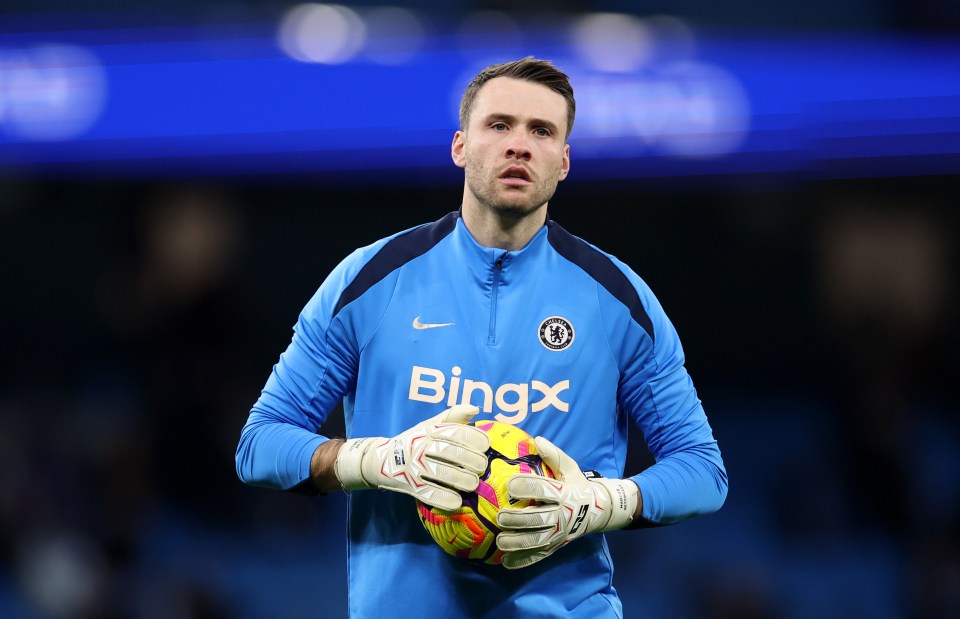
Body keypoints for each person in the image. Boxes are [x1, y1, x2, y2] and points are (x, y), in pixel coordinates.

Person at [236, 57, 727, 617]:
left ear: (563, 162)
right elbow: (260, 445)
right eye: (499, 125)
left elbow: (702, 471)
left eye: (541, 131)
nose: (519, 145)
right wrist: (383, 461)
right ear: (460, 146)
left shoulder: (617, 299)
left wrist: (595, 501)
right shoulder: (369, 281)